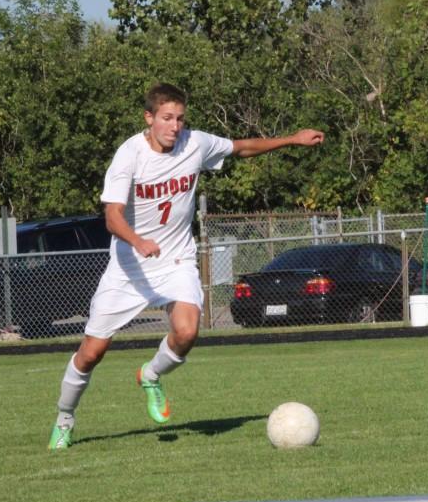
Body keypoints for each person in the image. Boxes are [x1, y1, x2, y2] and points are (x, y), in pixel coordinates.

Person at [48, 83, 325, 450]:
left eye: (179, 118)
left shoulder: (195, 143)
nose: (174, 126)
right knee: (91, 354)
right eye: (166, 118)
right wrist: (138, 241)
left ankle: (151, 374)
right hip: (129, 266)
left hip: (176, 260)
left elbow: (241, 147)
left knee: (187, 331)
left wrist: (292, 139)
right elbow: (112, 217)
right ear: (149, 118)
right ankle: (65, 419)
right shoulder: (128, 156)